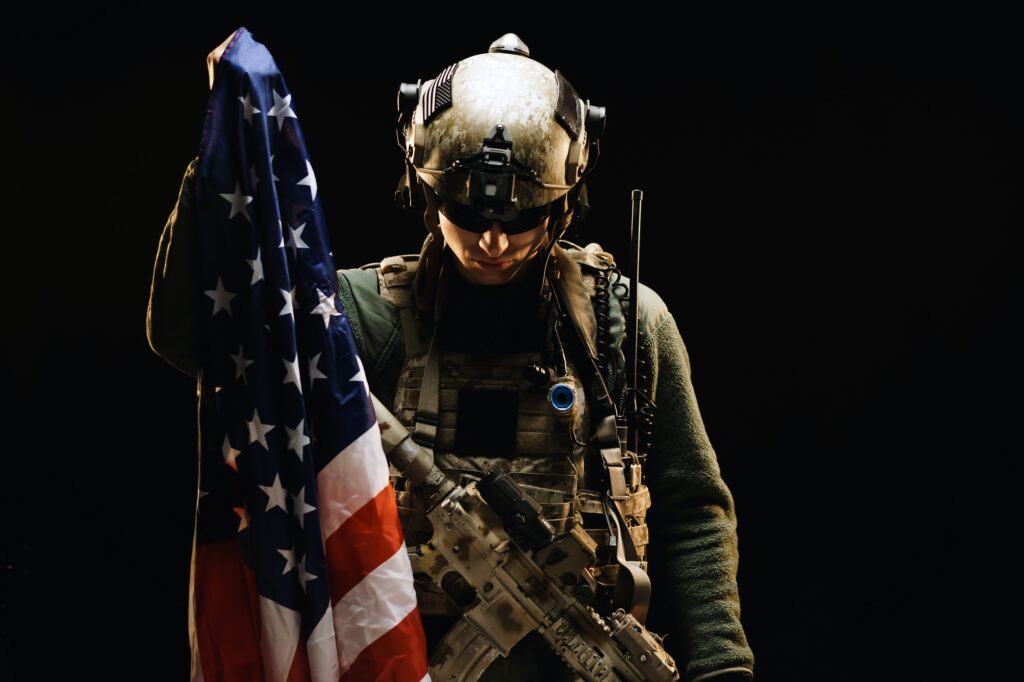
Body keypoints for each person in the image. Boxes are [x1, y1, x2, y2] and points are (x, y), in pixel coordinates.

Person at [148, 32, 755, 681]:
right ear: (423, 185)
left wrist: (721, 666)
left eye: (522, 214)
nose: (493, 239)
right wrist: (220, 157)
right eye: (466, 209)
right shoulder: (367, 317)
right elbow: (199, 342)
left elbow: (691, 510)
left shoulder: (625, 327)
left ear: (565, 197)